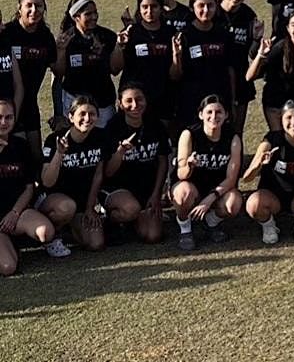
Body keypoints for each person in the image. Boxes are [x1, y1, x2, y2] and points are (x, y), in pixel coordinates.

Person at [241, 100, 294, 244]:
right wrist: (259, 164)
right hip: (273, 196)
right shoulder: (271, 140)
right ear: (281, 120)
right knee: (253, 204)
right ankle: (268, 225)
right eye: (288, 117)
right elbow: (247, 179)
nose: (293, 122)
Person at [40, 95, 111, 255]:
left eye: (92, 114)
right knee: (66, 207)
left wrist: (89, 208)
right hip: (55, 200)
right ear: (71, 117)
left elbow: (98, 176)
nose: (87, 118)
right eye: (82, 114)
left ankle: (71, 228)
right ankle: (53, 235)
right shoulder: (55, 140)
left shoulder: (101, 137)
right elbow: (47, 182)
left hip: (81, 203)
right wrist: (59, 153)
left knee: (96, 244)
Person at [171, 95, 243, 251]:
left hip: (217, 189)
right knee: (184, 192)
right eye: (209, 112)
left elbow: (231, 179)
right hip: (192, 186)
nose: (214, 116)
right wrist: (189, 165)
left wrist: (209, 200)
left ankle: (211, 222)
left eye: (219, 112)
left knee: (234, 203)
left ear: (226, 115)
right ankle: (185, 228)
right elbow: (181, 174)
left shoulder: (233, 138)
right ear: (200, 114)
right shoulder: (189, 134)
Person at [102, 84, 170, 245]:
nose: (135, 105)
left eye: (139, 99)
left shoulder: (155, 124)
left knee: (152, 236)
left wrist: (156, 194)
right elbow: (108, 173)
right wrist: (120, 152)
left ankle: (134, 221)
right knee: (130, 208)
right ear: (120, 103)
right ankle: (112, 220)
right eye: (129, 101)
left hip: (146, 189)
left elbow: (162, 161)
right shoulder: (113, 127)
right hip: (117, 188)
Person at [0, 99, 54, 276]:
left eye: (9, 117)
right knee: (8, 267)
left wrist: (14, 213)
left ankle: (14, 242)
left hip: (16, 213)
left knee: (45, 232)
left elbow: (29, 188)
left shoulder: (20, 145)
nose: (4, 122)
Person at [170, 0, 236, 127]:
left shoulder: (224, 34)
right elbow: (175, 76)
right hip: (191, 102)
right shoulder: (183, 36)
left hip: (219, 100)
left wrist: (232, 100)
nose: (206, 10)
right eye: (201, 6)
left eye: (210, 5)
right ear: (192, 8)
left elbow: (230, 70)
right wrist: (177, 55)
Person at [246, 10, 294, 132]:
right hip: (276, 100)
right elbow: (249, 76)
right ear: (288, 28)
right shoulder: (279, 47)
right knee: (278, 139)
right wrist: (260, 55)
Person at [53, 0, 118, 127]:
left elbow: (115, 70)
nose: (94, 17)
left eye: (95, 12)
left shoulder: (107, 36)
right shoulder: (66, 40)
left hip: (103, 104)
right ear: (76, 16)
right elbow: (58, 75)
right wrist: (60, 51)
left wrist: (111, 49)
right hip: (74, 104)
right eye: (88, 14)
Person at [115, 0, 176, 127]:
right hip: (135, 100)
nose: (149, 11)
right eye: (144, 7)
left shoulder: (171, 33)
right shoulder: (131, 32)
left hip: (163, 97)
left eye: (154, 6)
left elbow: (175, 74)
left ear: (161, 8)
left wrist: (176, 55)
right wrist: (120, 46)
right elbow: (115, 69)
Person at [5, 0, 56, 151]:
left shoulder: (45, 37)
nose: (34, 10)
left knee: (36, 159)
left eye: (39, 6)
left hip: (31, 107)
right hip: (6, 109)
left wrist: (61, 49)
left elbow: (58, 71)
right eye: (29, 5)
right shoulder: (7, 34)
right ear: (19, 8)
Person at [219, 0, 264, 135]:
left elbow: (251, 53)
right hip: (215, 76)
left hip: (240, 78)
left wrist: (257, 39)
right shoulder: (212, 10)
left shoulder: (248, 15)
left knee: (236, 130)